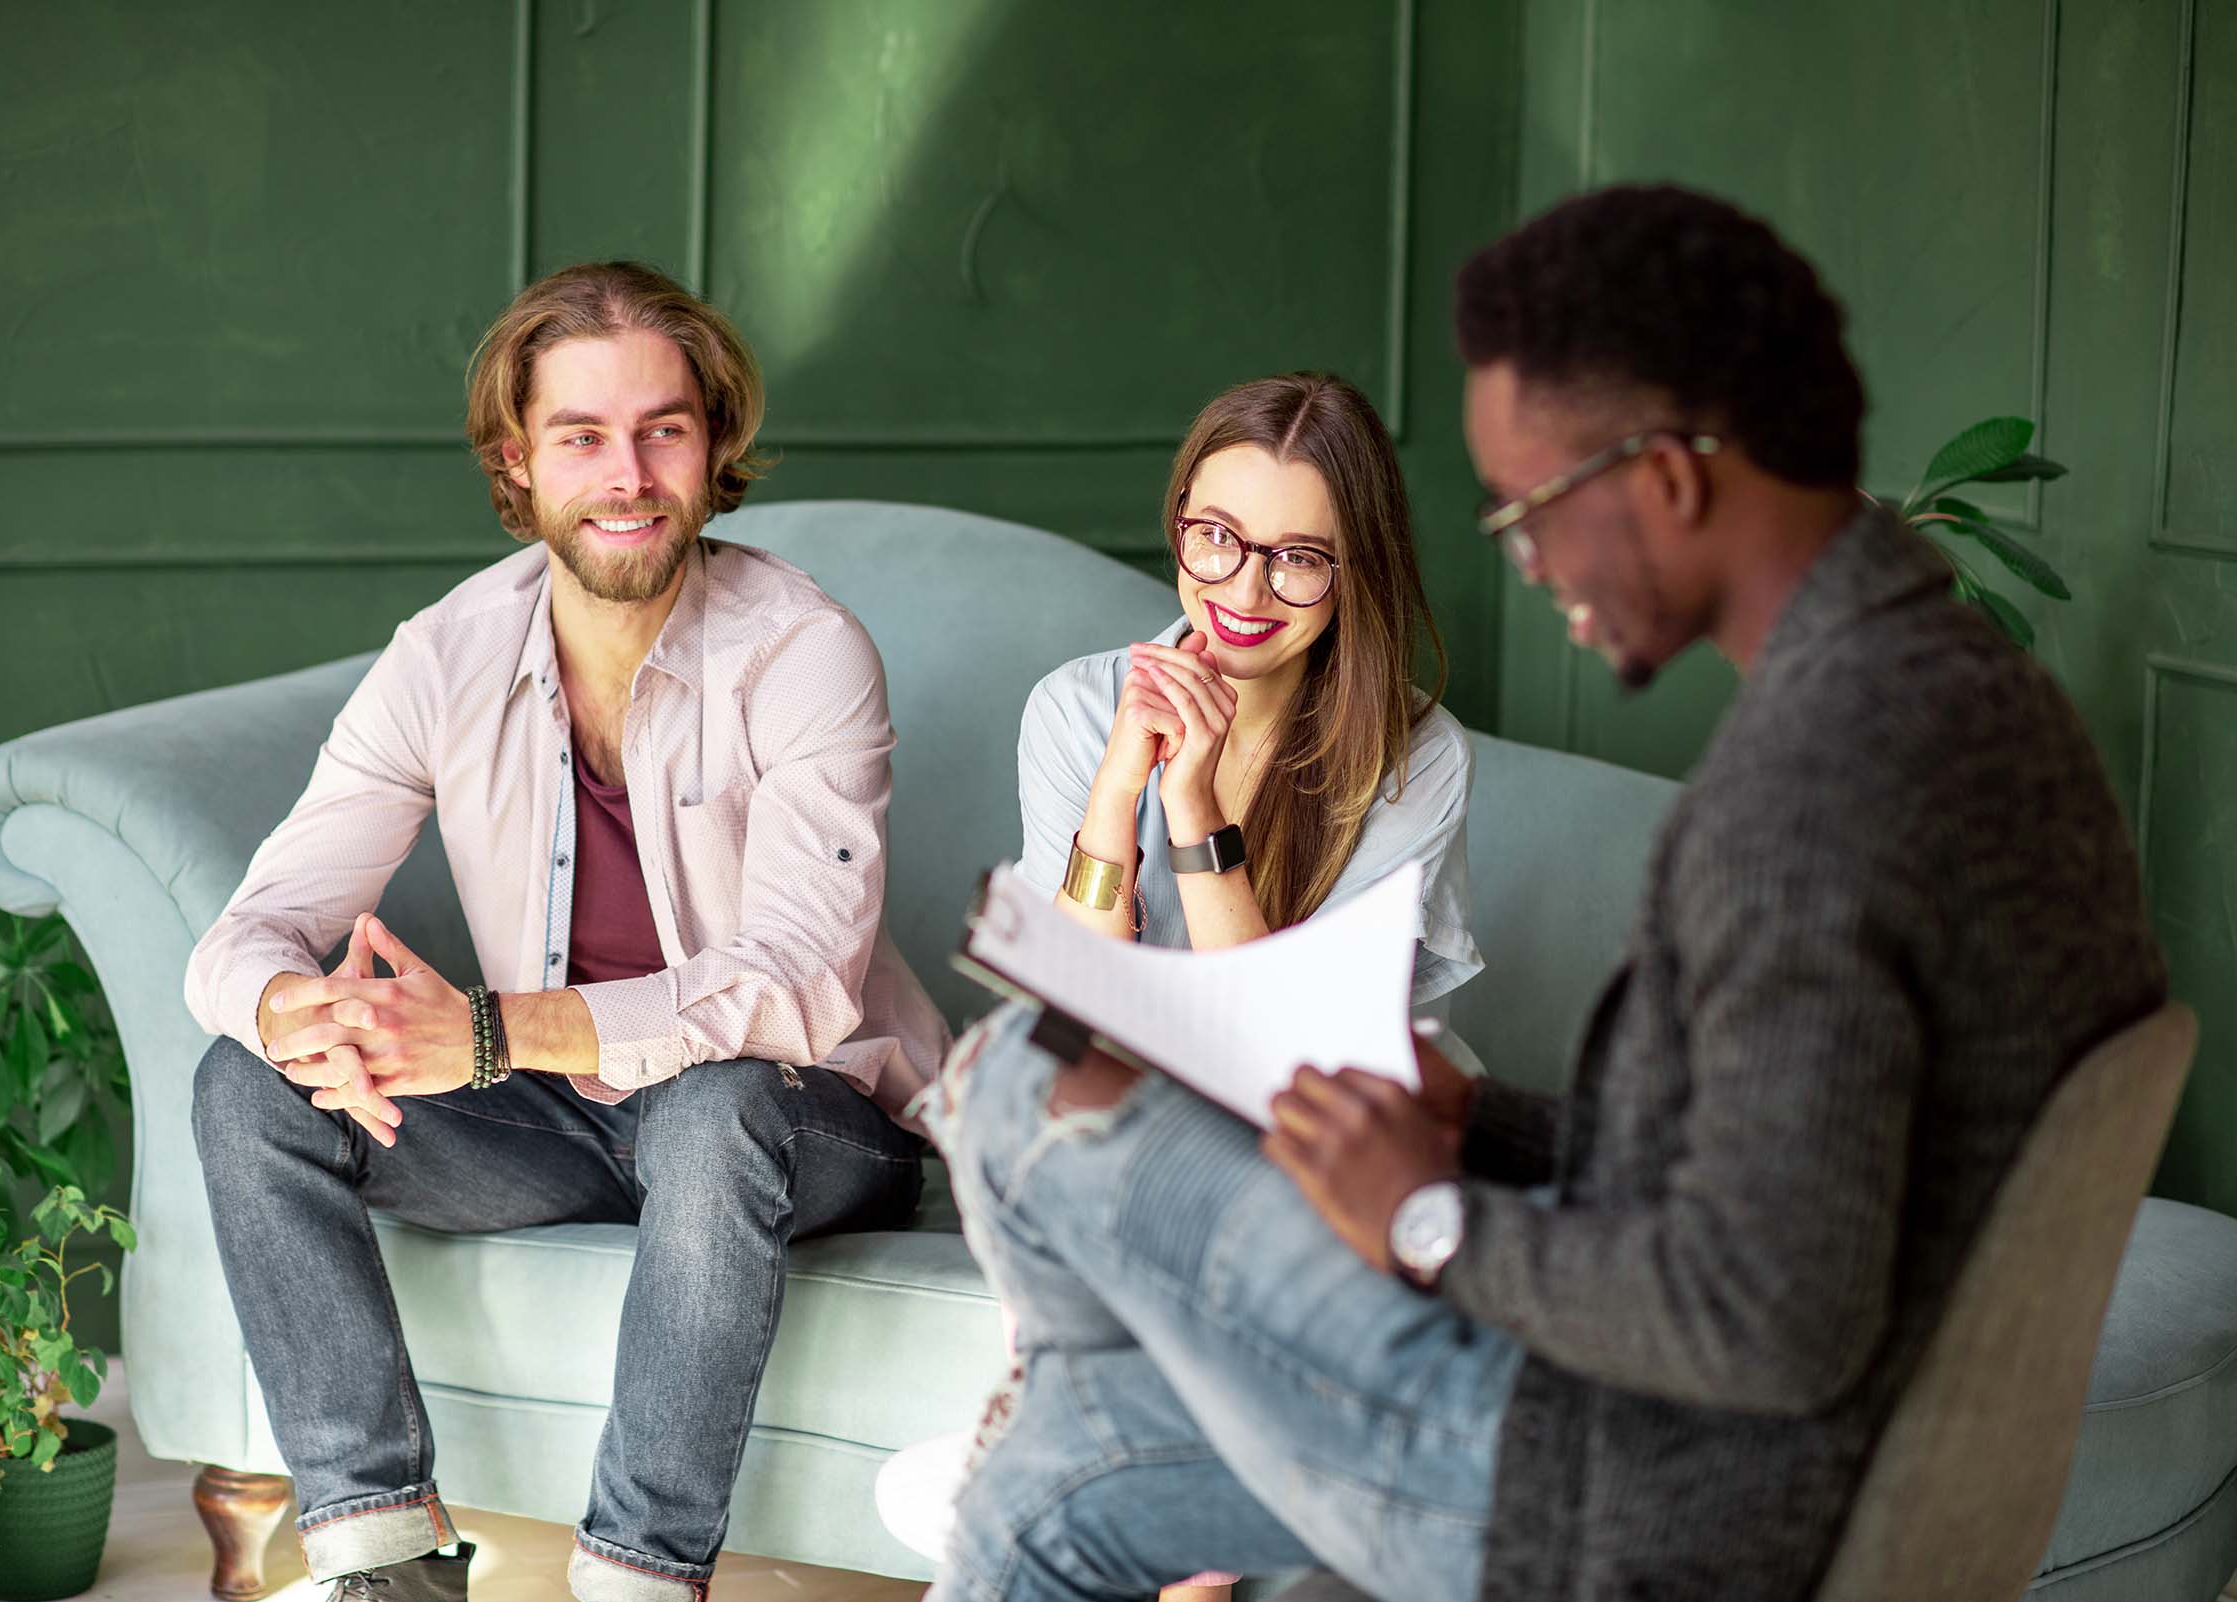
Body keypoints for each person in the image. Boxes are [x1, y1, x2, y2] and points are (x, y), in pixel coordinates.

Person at [920, 183, 2168, 1602]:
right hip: (1694, 1440)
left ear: (1667, 481)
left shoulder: (1816, 797)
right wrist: (1483, 1119)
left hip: (1647, 1492)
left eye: (1533, 512)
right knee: (1042, 1490)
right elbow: (1790, 1168)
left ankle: (1100, 1406)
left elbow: (1771, 1320)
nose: (1531, 565)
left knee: (1008, 1085)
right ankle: (1090, 1424)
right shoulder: (1951, 698)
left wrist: (1424, 1212)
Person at [182, 261, 948, 1602]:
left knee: (712, 1107)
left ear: (714, 446)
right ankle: (389, 1563)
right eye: (582, 436)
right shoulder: (445, 653)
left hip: (803, 1116)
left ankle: (639, 1579)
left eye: (664, 427)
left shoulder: (804, 648)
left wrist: (481, 1034)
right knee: (246, 1082)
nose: (629, 474)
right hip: (563, 1118)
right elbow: (257, 924)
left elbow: (799, 988)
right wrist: (301, 1011)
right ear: (517, 459)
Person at [881, 372, 1484, 1600]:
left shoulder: (1417, 760)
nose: (1243, 591)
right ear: (1179, 523)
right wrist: (1118, 790)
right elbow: (1067, 1011)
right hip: (1131, 1110)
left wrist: (1197, 812)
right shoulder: (1077, 705)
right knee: (1040, 1097)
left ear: (1354, 572)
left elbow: (1285, 1054)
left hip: (1323, 1123)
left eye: (1298, 560)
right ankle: (1093, 1466)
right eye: (1215, 538)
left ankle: (1155, 1546)